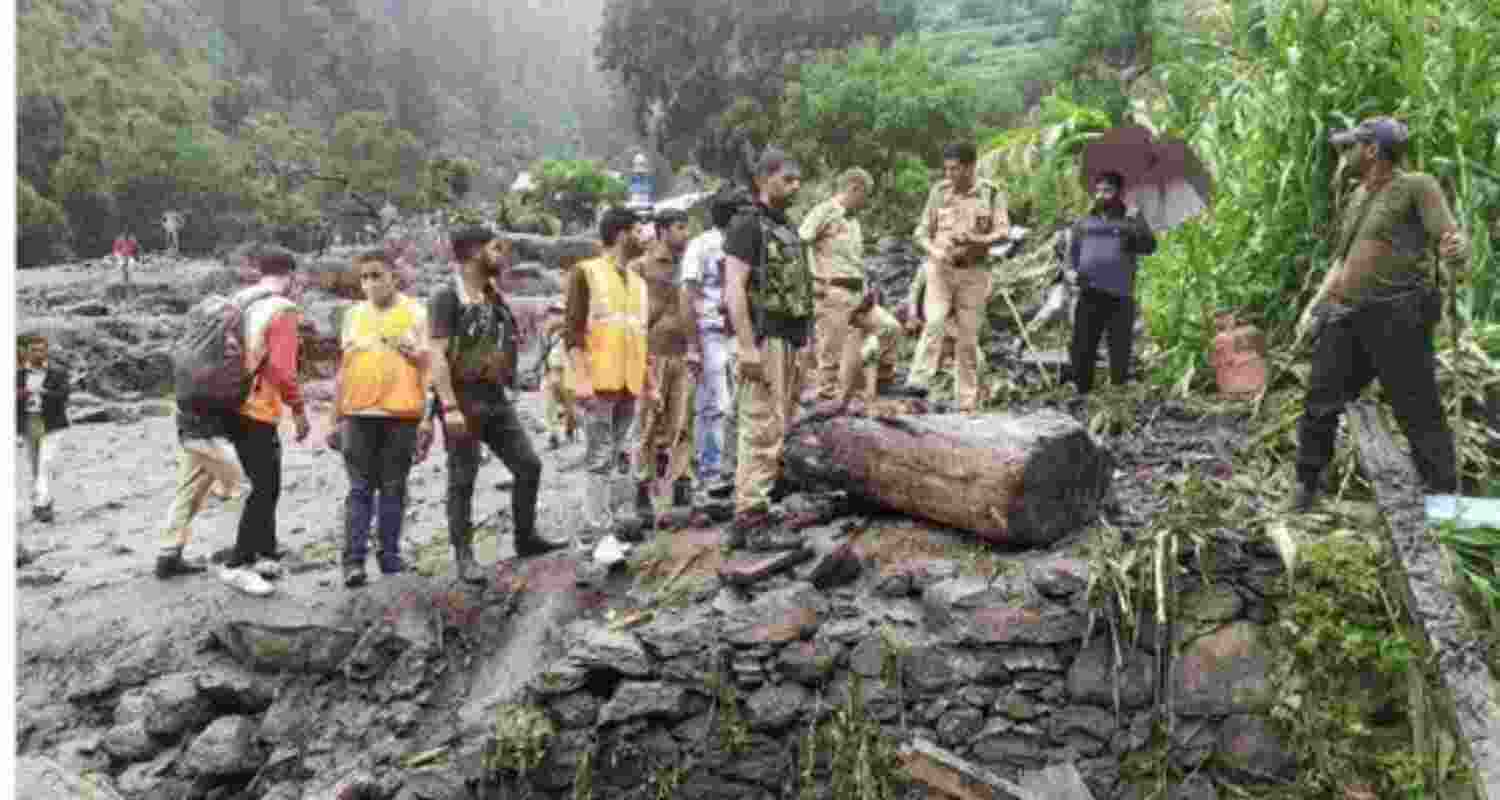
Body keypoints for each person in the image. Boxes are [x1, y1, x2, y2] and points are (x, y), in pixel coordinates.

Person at [1291, 116, 1469, 511]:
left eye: (1351, 146)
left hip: (1398, 316)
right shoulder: (1358, 196)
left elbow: (1449, 239)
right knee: (1320, 396)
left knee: (1417, 408)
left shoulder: (1416, 186)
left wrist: (1457, 251)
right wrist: (1315, 307)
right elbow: (1342, 260)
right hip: (1348, 315)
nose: (1344, 153)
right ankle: (1306, 488)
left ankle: (1443, 501)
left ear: (1372, 150)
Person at [430, 227, 566, 583]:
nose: (503, 255)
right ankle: (464, 557)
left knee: (529, 465)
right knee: (462, 478)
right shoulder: (447, 297)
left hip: (494, 396)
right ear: (475, 253)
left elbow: (504, 344)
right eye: (495, 248)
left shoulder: (493, 297)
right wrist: (449, 408)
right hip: (462, 397)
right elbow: (438, 356)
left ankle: (526, 538)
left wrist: (516, 377)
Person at [329, 250, 434, 588]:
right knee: (359, 489)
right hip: (358, 415)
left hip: (402, 414)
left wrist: (426, 420)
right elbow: (343, 370)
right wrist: (334, 418)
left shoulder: (417, 313)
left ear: (394, 277)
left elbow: (430, 369)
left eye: (377, 275)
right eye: (365, 277)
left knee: (393, 488)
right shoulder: (353, 316)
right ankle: (353, 562)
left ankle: (389, 557)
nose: (370, 283)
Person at [722, 147, 809, 546]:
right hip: (763, 337)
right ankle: (750, 518)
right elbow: (734, 289)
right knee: (759, 424)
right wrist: (746, 347)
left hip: (789, 338)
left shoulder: (787, 228)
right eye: (786, 179)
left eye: (796, 179)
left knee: (777, 426)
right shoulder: (746, 226)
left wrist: (804, 341)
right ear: (763, 180)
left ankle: (758, 504)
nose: (795, 186)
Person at [219, 246, 312, 596]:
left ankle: (261, 554)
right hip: (257, 406)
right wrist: (299, 409)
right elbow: (282, 370)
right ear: (291, 275)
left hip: (227, 401)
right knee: (264, 487)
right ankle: (237, 564)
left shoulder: (240, 300)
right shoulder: (282, 310)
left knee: (262, 482)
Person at [565, 208, 652, 552]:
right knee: (600, 455)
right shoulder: (586, 273)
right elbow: (572, 334)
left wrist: (648, 384)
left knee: (616, 454)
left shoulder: (638, 283)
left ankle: (608, 525)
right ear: (620, 234)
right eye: (638, 230)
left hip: (628, 382)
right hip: (599, 381)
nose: (644, 237)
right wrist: (582, 380)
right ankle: (597, 532)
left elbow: (638, 335)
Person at [903, 142, 1010, 412]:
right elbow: (920, 232)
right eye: (947, 169)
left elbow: (1004, 232)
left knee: (968, 339)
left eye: (956, 169)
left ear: (971, 167)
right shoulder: (939, 192)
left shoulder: (991, 193)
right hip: (941, 269)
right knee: (935, 321)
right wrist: (934, 251)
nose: (950, 174)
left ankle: (966, 402)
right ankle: (918, 382)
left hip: (974, 272)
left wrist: (977, 238)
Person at [799, 168, 906, 405]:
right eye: (865, 195)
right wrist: (812, 280)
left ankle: (870, 383)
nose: (866, 202)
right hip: (832, 291)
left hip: (857, 292)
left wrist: (867, 288)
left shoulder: (855, 222)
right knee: (831, 352)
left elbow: (854, 260)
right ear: (853, 188)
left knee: (889, 328)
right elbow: (801, 241)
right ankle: (825, 398)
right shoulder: (825, 211)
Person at [633, 209, 700, 525]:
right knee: (648, 424)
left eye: (686, 227)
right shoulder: (642, 266)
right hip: (653, 353)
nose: (685, 233)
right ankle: (642, 489)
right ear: (661, 231)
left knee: (683, 423)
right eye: (679, 227)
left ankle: (681, 487)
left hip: (683, 352)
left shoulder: (691, 262)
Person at [1065, 170, 1157, 397]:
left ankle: (1117, 396)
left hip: (1120, 295)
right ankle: (1081, 393)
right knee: (1082, 346)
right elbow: (1070, 259)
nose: (1101, 195)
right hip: (1089, 293)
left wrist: (1137, 219)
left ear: (1118, 193)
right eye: (1098, 190)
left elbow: (1149, 246)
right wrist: (1071, 275)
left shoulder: (1129, 222)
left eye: (1107, 190)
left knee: (1119, 348)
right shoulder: (1083, 223)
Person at [682, 192, 745, 499]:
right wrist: (693, 344)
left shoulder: (741, 245)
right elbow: (689, 294)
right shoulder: (702, 245)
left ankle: (733, 467)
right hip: (711, 331)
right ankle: (710, 472)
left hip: (738, 332)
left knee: (737, 404)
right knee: (714, 405)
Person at [16, 335, 70, 524]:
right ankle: (42, 503)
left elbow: (64, 395)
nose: (37, 353)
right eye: (33, 349)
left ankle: (41, 504)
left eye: (41, 349)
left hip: (53, 423)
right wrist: (25, 393)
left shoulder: (59, 372)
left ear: (46, 351)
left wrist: (45, 393)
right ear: (27, 352)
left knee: (46, 463)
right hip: (29, 422)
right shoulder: (19, 374)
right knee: (34, 467)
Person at [540, 304, 577, 451]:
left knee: (570, 408)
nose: (555, 315)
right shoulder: (545, 332)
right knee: (549, 407)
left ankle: (570, 430)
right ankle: (553, 437)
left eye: (559, 312)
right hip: (551, 372)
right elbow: (543, 352)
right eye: (553, 312)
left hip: (567, 373)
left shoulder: (570, 331)